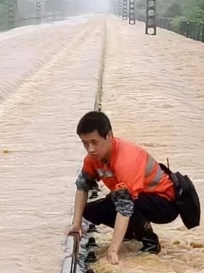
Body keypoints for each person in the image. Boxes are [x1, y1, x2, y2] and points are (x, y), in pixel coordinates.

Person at [67, 110, 178, 265]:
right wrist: (76, 224)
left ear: (109, 137)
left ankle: (151, 242)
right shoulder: (93, 158)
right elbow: (82, 186)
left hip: (165, 203)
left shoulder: (125, 159)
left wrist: (113, 249)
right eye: (85, 143)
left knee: (126, 202)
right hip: (138, 198)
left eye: (94, 142)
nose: (90, 149)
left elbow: (125, 207)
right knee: (91, 210)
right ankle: (130, 232)